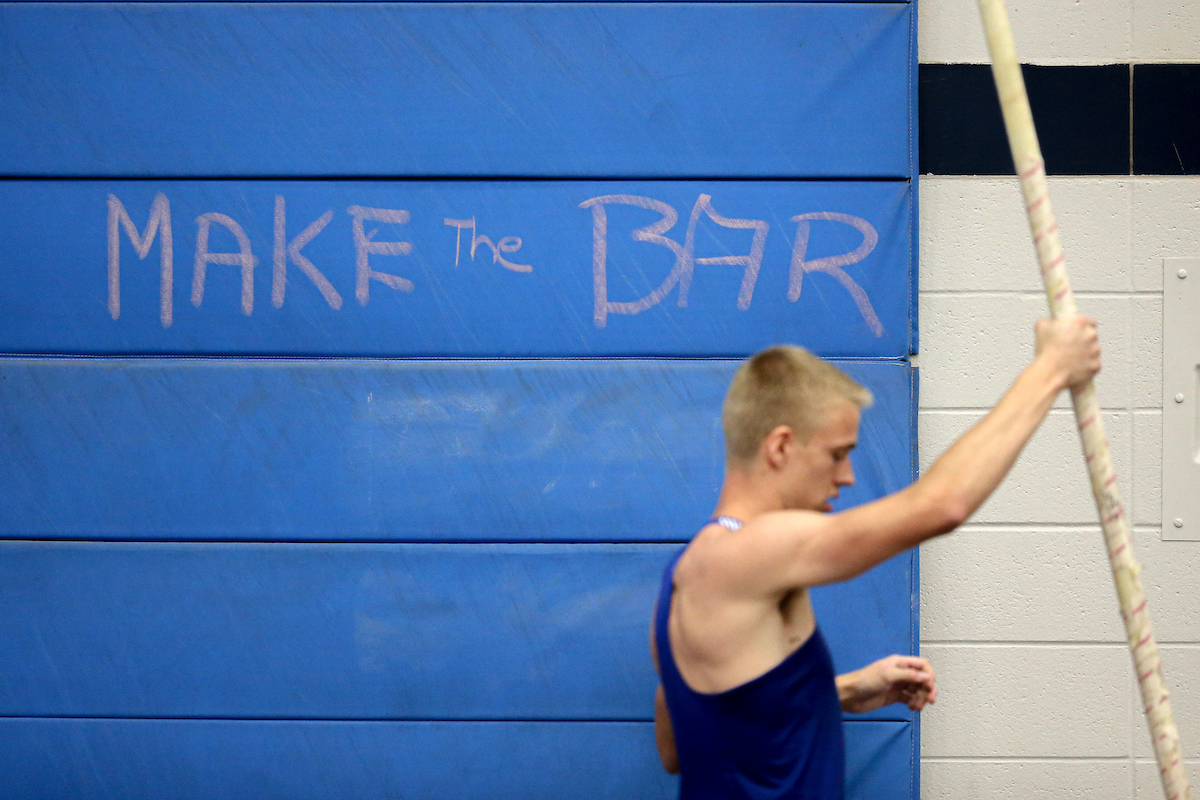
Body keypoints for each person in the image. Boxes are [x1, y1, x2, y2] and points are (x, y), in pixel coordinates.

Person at [650, 315, 1102, 798]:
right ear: (781, 447)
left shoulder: (686, 576)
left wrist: (839, 692)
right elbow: (941, 506)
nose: (846, 477)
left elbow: (683, 745)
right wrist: (1052, 369)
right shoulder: (751, 553)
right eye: (837, 454)